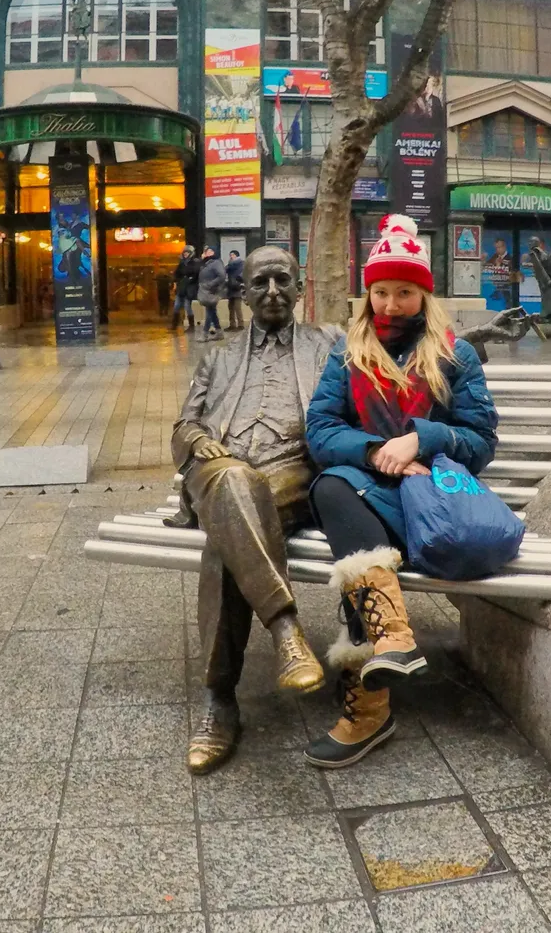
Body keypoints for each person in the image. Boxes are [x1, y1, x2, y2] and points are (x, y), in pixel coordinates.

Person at [303, 214, 498, 769]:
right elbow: (320, 430)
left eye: (404, 292)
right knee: (337, 485)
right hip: (369, 496)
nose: (391, 305)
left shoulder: (455, 356)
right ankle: (391, 643)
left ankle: (369, 710)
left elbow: (481, 441)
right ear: (367, 296)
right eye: (381, 292)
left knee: (342, 507)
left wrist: (419, 442)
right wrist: (373, 453)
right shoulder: (347, 354)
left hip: (431, 505)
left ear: (424, 294)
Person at [170, 246, 343, 773]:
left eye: (282, 281)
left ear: (298, 287)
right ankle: (286, 630)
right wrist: (199, 443)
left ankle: (219, 701)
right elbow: (185, 425)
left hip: (292, 471)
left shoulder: (330, 345)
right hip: (220, 466)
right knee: (232, 484)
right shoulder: (218, 356)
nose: (271, 292)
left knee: (227, 535)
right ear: (242, 293)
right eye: (261, 282)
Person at [197, 246, 228, 341]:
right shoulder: (206, 263)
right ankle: (219, 333)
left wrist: (210, 284)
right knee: (212, 311)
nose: (206, 252)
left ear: (214, 252)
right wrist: (202, 260)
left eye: (209, 251)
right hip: (207, 291)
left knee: (209, 311)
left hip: (212, 291)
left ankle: (205, 334)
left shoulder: (216, 263)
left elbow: (222, 276)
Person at [172, 246, 200, 331]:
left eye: (187, 253)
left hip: (189, 288)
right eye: (184, 253)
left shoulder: (194, 263)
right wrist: (177, 280)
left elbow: (196, 274)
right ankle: (174, 325)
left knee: (187, 306)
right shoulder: (181, 263)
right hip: (181, 287)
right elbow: (176, 274)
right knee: (176, 306)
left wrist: (189, 279)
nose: (185, 254)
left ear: (190, 254)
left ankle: (191, 326)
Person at [225, 250, 245, 330]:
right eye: (230, 255)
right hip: (230, 287)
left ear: (237, 255)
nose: (231, 256)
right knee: (230, 307)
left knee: (237, 307)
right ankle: (232, 324)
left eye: (232, 255)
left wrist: (238, 282)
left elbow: (242, 275)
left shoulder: (241, 264)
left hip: (237, 287)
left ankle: (240, 324)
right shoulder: (230, 264)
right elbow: (224, 270)